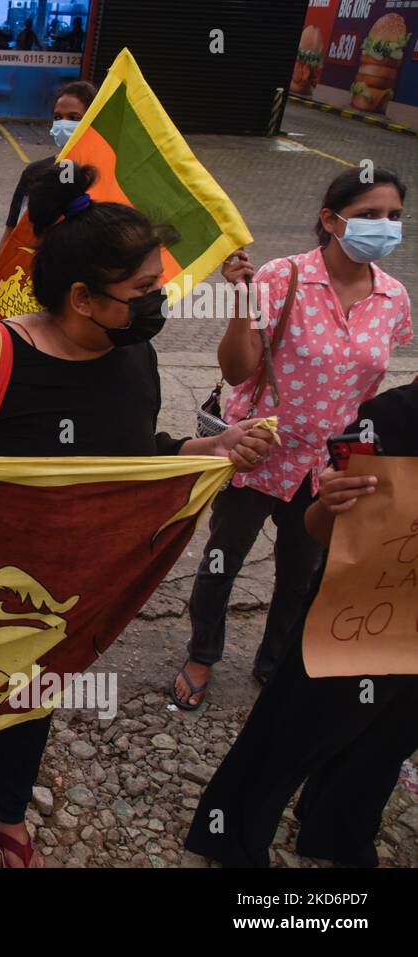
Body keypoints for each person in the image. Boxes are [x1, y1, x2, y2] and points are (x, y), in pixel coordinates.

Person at [0, 162, 275, 868]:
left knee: (35, 703)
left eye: (159, 284)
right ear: (82, 296)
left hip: (60, 598)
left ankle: (6, 806)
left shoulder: (133, 353)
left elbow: (135, 460)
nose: (159, 302)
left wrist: (214, 446)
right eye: (143, 291)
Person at [171, 168, 410, 709]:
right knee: (222, 559)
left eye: (394, 216)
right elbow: (237, 373)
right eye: (371, 215)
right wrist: (241, 299)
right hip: (259, 449)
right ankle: (202, 653)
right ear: (331, 219)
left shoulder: (395, 298)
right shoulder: (283, 277)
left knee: (303, 571)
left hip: (331, 461)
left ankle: (275, 663)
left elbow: (369, 386)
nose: (385, 227)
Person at [186, 379, 418, 867]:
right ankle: (232, 837)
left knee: (388, 739)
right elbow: (316, 527)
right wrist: (332, 505)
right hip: (356, 618)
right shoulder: (384, 419)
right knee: (290, 729)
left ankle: (338, 831)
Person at [0, 80, 96, 256]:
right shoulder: (35, 172)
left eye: (74, 118)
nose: (63, 124)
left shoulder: (108, 173)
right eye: (58, 117)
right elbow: (13, 231)